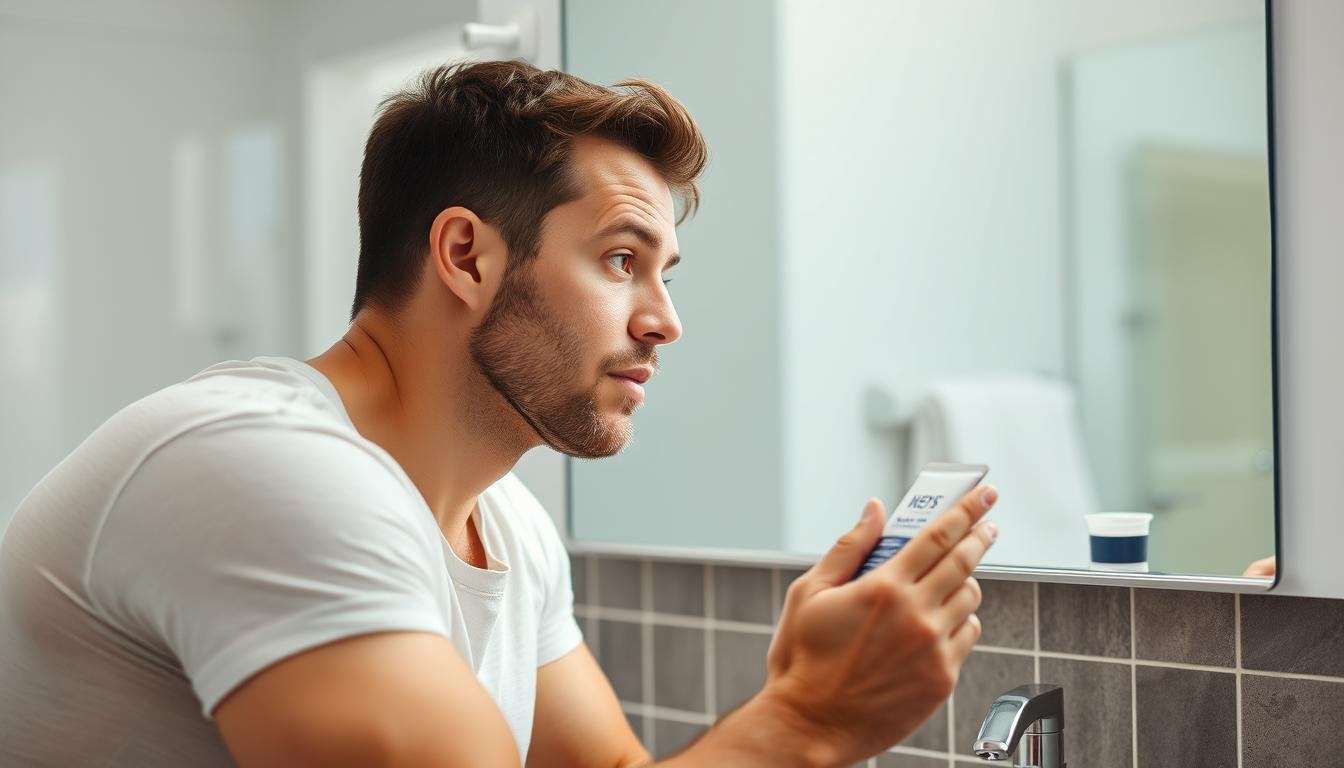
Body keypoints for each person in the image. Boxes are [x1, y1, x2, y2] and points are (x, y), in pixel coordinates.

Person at [0, 60, 998, 767]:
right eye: (621, 260)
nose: (666, 322)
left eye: (664, 273)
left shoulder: (508, 528)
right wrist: (810, 719)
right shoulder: (256, 470)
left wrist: (798, 696)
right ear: (467, 256)